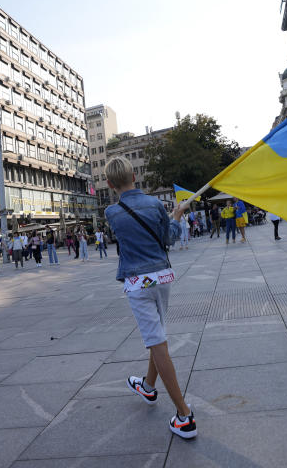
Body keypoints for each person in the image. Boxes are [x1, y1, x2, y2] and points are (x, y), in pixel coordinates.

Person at [103, 157, 195, 439]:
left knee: (157, 342)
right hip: (162, 278)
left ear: (109, 184)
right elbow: (169, 238)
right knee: (159, 338)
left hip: (137, 282)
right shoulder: (155, 204)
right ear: (135, 175)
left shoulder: (111, 212)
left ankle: (184, 416)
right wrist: (177, 216)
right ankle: (147, 387)